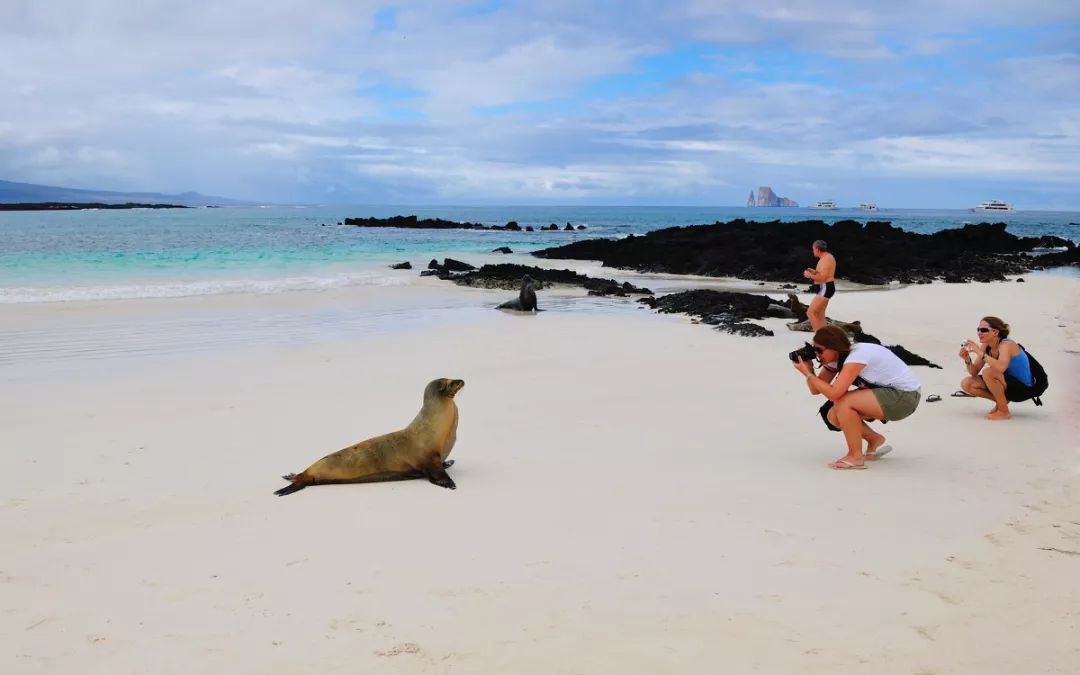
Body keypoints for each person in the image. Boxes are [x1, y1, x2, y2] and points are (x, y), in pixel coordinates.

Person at [792, 325, 922, 470]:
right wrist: (809, 370)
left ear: (834, 347)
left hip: (905, 397)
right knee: (833, 415)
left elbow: (834, 393)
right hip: (889, 394)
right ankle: (874, 439)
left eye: (819, 350)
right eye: (815, 350)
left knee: (843, 403)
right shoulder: (838, 356)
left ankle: (855, 456)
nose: (817, 355)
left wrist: (808, 375)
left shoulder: (857, 356)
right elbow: (815, 389)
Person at [958, 316, 1034, 421]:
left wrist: (978, 351)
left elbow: (1001, 367)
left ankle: (1003, 411)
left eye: (984, 330)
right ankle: (1002, 402)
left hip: (1024, 388)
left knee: (989, 372)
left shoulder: (1006, 344)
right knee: (967, 383)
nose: (979, 332)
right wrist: (967, 359)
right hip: (1007, 384)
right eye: (978, 329)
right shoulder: (986, 345)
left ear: (995, 332)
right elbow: (973, 371)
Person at [802, 240, 836, 331]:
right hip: (826, 287)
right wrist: (814, 272)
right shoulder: (826, 257)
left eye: (813, 249)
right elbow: (822, 274)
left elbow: (823, 278)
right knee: (819, 313)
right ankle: (825, 337)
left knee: (811, 312)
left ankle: (818, 337)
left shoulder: (826, 259)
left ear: (817, 249)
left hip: (825, 287)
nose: (813, 251)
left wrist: (809, 275)